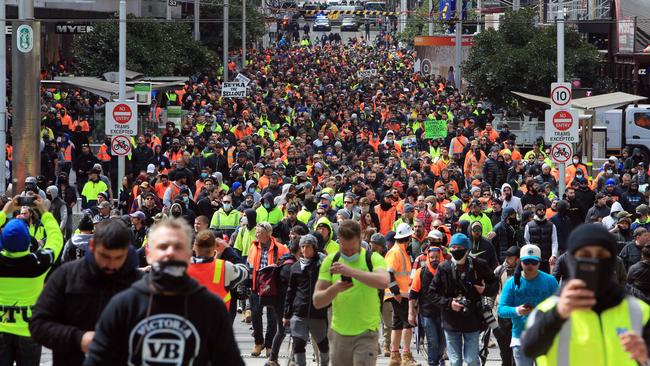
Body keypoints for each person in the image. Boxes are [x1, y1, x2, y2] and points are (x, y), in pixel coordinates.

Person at [83, 218, 244, 365]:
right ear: (149, 254)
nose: (170, 252)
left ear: (189, 254)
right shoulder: (123, 305)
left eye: (178, 246)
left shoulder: (211, 308)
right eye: (163, 246)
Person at [521, 224, 650, 366]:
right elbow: (528, 349)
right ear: (571, 260)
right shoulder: (547, 309)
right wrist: (557, 315)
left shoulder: (638, 310)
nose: (594, 262)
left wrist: (645, 359)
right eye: (585, 256)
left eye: (601, 255)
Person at [29, 219, 142, 366]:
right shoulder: (66, 276)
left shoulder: (140, 284)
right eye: (105, 256)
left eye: (118, 258)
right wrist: (78, 339)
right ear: (92, 246)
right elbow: (38, 324)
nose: (111, 264)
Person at [313, 219, 389, 366]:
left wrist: (351, 272)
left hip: (367, 333)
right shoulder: (331, 261)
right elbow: (317, 301)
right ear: (339, 241)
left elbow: (384, 281)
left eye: (352, 249)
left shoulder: (372, 258)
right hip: (339, 333)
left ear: (360, 240)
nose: (348, 253)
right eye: (344, 249)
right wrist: (334, 289)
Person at [0, 196, 64, 366]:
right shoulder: (38, 263)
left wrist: (4, 212)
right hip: (29, 332)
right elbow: (56, 239)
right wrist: (45, 213)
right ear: (28, 241)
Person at [428, 233, 498, 366]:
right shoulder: (444, 268)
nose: (455, 250)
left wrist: (485, 290)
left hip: (473, 320)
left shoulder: (479, 265)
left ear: (466, 249)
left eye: (459, 247)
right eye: (453, 247)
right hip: (450, 321)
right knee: (455, 361)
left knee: (471, 360)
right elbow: (431, 293)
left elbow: (495, 284)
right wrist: (449, 303)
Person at [497, 244, 559, 366]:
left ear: (539, 263)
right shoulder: (511, 283)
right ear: (520, 262)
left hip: (545, 337)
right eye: (526, 262)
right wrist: (517, 310)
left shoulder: (550, 281)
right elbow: (501, 309)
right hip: (520, 339)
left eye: (533, 262)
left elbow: (560, 306)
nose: (530, 266)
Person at [282, 234, 329, 366]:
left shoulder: (322, 266)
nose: (304, 249)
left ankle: (324, 363)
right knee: (298, 344)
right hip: (299, 313)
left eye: (308, 246)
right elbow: (290, 292)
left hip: (318, 313)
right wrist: (286, 314)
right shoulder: (296, 267)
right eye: (302, 246)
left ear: (314, 248)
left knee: (323, 345)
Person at [247, 222, 289, 358]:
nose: (256, 234)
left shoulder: (281, 248)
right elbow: (249, 266)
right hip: (256, 286)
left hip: (272, 288)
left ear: (267, 234)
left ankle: (269, 345)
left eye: (259, 232)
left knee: (272, 317)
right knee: (255, 315)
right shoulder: (253, 247)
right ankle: (258, 343)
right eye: (256, 232)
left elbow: (286, 267)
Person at [188, 230, 247, 315]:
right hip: (218, 321)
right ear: (215, 247)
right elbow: (244, 271)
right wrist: (228, 249)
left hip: (191, 322)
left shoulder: (183, 267)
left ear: (194, 247)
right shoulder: (224, 267)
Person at [384, 223, 418, 366]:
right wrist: (396, 292)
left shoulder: (401, 251)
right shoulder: (396, 252)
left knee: (397, 325)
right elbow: (388, 273)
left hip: (401, 294)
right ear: (407, 237)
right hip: (399, 295)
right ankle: (406, 356)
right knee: (407, 324)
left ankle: (395, 356)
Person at [408, 243, 446, 366]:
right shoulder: (421, 272)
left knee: (442, 342)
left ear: (441, 257)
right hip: (427, 313)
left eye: (437, 257)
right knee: (432, 341)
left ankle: (439, 359)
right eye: (432, 257)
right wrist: (411, 314)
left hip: (443, 313)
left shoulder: (446, 271)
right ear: (428, 258)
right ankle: (432, 363)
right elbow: (413, 295)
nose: (435, 259)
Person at [493, 246, 520, 366]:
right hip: (503, 314)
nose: (507, 259)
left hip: (519, 314)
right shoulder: (499, 270)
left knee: (517, 351)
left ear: (518, 259)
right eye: (506, 256)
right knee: (504, 350)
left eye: (511, 257)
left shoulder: (525, 272)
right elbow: (492, 290)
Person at [524, 203, 558, 273]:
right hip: (534, 258)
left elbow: (554, 241)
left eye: (543, 210)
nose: (542, 211)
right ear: (536, 211)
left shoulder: (551, 225)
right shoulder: (529, 225)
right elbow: (526, 241)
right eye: (539, 210)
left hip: (547, 259)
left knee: (545, 280)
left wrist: (553, 255)